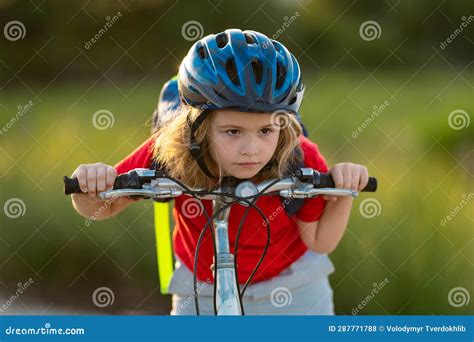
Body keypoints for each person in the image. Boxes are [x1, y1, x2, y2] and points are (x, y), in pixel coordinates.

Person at [70, 29, 369, 315]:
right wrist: (92, 182)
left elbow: (320, 242)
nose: (251, 148)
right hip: (200, 288)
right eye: (233, 131)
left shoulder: (298, 156)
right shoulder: (171, 150)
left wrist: (343, 190)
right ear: (198, 126)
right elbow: (99, 208)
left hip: (292, 287)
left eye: (265, 130)